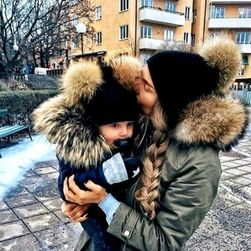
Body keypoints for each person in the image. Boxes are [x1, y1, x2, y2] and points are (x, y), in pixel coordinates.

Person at [61, 36, 248, 251]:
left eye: (147, 87)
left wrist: (104, 202)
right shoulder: (138, 123)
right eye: (141, 78)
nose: (136, 88)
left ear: (169, 104)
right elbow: (93, 161)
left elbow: (165, 243)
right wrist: (77, 202)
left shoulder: (201, 165)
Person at [32, 58, 143, 251]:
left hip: (121, 221)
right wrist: (108, 174)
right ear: (96, 126)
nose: (125, 132)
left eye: (129, 124)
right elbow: (67, 183)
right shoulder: (80, 146)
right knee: (104, 243)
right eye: (115, 125)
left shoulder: (123, 141)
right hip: (94, 217)